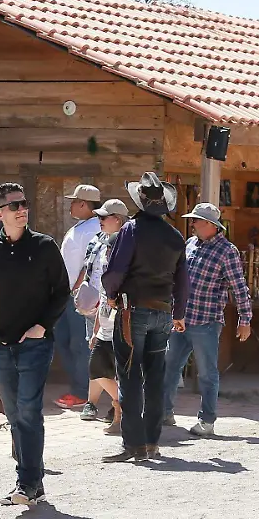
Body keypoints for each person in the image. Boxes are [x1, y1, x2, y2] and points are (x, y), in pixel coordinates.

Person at [0, 182, 70, 506]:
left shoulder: (44, 246)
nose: (21, 209)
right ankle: (32, 482)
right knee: (14, 414)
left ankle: (27, 483)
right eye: (13, 206)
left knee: (29, 411)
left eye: (24, 203)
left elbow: (61, 291)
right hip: (2, 345)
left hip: (35, 344)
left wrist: (42, 327)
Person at [101, 172, 190, 463]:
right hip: (163, 313)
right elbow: (183, 281)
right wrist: (178, 313)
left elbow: (115, 271)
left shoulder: (131, 230)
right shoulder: (176, 237)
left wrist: (111, 293)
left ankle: (134, 444)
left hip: (133, 311)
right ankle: (151, 442)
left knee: (129, 377)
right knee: (154, 378)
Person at [163, 202, 253, 437]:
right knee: (170, 366)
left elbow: (239, 287)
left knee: (207, 373)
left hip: (206, 321)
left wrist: (245, 319)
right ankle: (164, 411)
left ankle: (207, 420)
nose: (192, 224)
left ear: (210, 225)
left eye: (196, 220)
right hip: (181, 319)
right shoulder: (190, 244)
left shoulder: (227, 251)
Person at [81, 198, 130, 434]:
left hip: (124, 320)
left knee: (121, 370)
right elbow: (102, 288)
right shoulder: (104, 243)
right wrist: (96, 327)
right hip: (105, 318)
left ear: (117, 220)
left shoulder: (130, 245)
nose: (99, 221)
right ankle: (122, 402)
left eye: (104, 217)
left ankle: (122, 409)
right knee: (97, 368)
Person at [54, 183, 102, 409]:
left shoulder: (92, 228)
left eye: (74, 202)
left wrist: (78, 288)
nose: (71, 206)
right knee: (64, 341)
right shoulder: (82, 227)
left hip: (79, 296)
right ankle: (79, 387)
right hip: (66, 294)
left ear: (84, 204)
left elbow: (90, 262)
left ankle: (82, 391)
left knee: (78, 344)